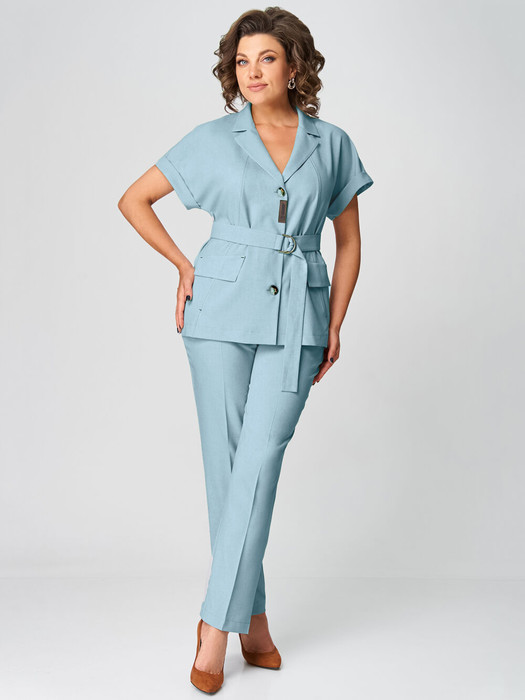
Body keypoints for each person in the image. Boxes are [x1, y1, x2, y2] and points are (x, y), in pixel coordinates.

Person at [118, 6, 373, 694]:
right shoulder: (213, 139)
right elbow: (135, 199)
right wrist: (182, 265)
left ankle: (214, 626)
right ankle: (253, 622)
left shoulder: (332, 144)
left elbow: (349, 240)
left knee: (258, 462)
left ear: (294, 66)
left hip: (299, 315)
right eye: (241, 61)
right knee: (228, 471)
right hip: (218, 312)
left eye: (266, 58)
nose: (252, 72)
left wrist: (335, 322)